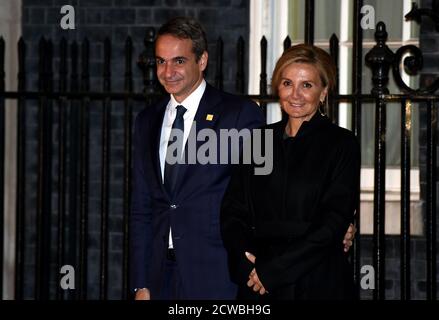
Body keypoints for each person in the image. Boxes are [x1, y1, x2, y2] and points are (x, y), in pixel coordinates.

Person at [130, 17, 356, 300]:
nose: (168, 71)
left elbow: (289, 205)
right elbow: (242, 204)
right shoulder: (147, 121)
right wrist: (141, 283)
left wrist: (338, 228)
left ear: (202, 61)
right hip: (171, 274)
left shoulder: (240, 115)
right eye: (161, 61)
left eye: (178, 61)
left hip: (233, 275)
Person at [220, 44, 360, 300]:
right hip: (257, 280)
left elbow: (333, 221)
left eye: (307, 85)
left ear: (324, 91)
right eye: (287, 83)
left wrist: (274, 271)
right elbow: (233, 211)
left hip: (317, 280)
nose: (295, 94)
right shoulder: (260, 140)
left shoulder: (341, 144)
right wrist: (247, 264)